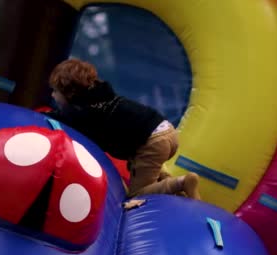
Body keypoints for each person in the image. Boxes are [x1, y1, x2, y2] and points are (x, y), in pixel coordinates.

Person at [44, 58, 200, 200]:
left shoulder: (88, 113)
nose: (52, 95)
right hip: (167, 131)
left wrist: (47, 116)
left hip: (153, 142)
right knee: (141, 169)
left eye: (56, 91)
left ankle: (182, 183)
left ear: (70, 93)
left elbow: (70, 120)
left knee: (136, 194)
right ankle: (171, 185)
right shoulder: (101, 97)